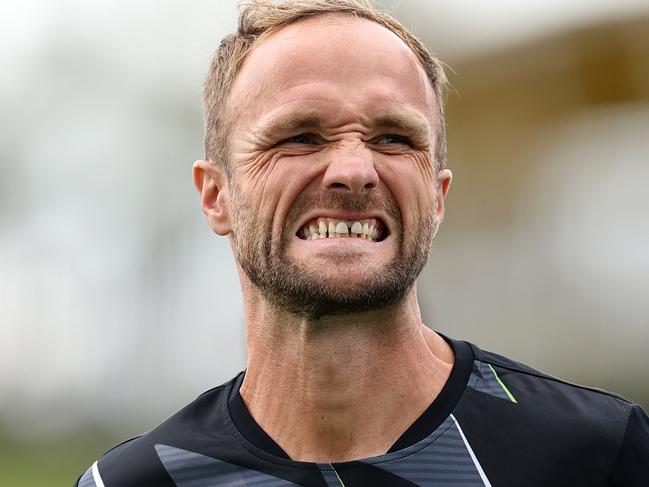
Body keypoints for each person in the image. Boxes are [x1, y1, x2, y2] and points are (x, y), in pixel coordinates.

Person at [75, 1, 649, 485]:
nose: (353, 169)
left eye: (394, 138)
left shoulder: (598, 455)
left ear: (438, 193)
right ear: (215, 195)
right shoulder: (133, 481)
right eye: (300, 136)